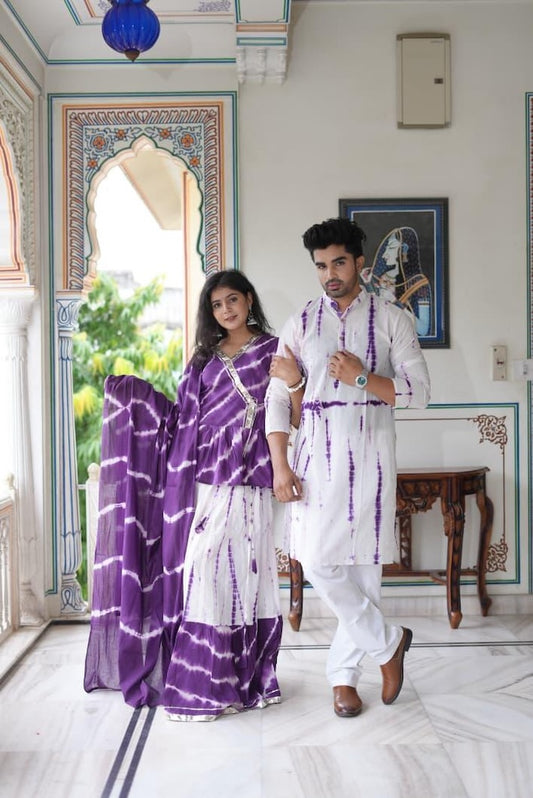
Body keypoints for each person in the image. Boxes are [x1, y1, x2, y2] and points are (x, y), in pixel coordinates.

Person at [84, 270, 295, 721]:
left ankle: (229, 680)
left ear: (249, 299)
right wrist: (136, 400)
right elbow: (181, 421)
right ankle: (215, 678)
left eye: (232, 300)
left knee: (237, 575)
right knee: (205, 570)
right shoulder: (204, 360)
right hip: (203, 477)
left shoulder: (275, 351)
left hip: (249, 478)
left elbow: (293, 410)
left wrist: (294, 384)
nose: (226, 311)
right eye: (217, 305)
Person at [266, 217, 430, 718]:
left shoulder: (393, 320)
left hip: (373, 458)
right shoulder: (299, 323)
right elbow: (277, 400)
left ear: (359, 261)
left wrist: (362, 377)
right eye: (321, 265)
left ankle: (343, 680)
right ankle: (388, 643)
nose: (329, 273)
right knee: (315, 561)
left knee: (364, 578)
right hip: (315, 459)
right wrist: (279, 467)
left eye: (338, 262)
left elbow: (419, 395)